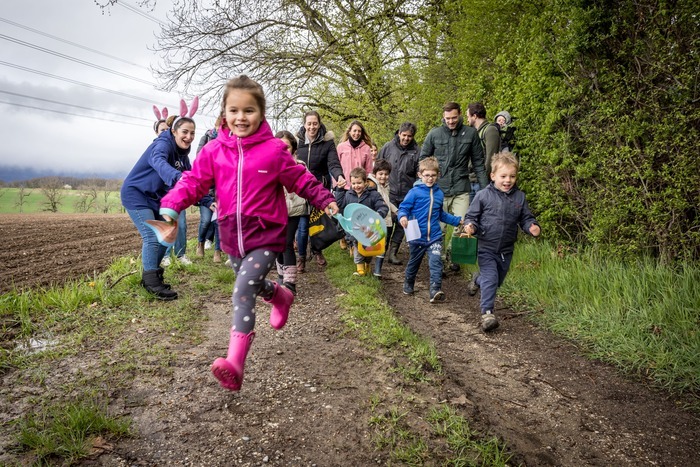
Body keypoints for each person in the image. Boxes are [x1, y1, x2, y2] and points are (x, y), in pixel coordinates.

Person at [158, 75, 339, 391]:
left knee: (243, 290)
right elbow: (193, 182)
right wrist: (172, 204)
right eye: (234, 110)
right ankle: (280, 295)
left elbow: (302, 179)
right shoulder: (214, 150)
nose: (241, 117)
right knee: (251, 283)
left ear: (261, 113)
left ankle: (235, 363)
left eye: (249, 111)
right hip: (231, 237)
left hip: (266, 235)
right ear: (225, 113)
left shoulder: (273, 151)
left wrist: (326, 199)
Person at [121, 112, 196, 300]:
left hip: (156, 198)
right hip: (136, 194)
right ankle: (150, 282)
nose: (188, 137)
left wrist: (208, 201)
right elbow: (157, 161)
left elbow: (193, 184)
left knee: (169, 233)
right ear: (174, 131)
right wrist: (176, 177)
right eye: (185, 132)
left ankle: (153, 274)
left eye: (192, 133)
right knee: (152, 236)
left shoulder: (183, 158)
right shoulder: (162, 144)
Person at [464, 151, 540, 332]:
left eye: (512, 176)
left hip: (506, 249)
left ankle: (477, 279)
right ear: (493, 176)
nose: (508, 180)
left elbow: (525, 218)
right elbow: (471, 216)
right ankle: (487, 314)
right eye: (503, 176)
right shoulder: (483, 195)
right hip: (486, 247)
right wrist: (470, 226)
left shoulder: (519, 197)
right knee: (491, 279)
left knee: (496, 281)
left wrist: (531, 226)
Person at [421, 102, 488, 273]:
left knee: (462, 224)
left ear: (459, 115)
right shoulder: (434, 134)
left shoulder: (471, 134)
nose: (451, 121)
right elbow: (423, 160)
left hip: (461, 187)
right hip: (439, 188)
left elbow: (479, 164)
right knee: (439, 227)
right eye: (448, 118)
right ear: (443, 117)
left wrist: (486, 189)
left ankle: (452, 256)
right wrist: (423, 183)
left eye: (454, 117)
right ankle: (439, 261)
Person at [397, 157, 463, 303]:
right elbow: (404, 208)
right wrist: (402, 217)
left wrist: (457, 221)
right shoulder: (414, 192)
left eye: (433, 175)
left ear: (438, 175)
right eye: (427, 175)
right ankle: (408, 282)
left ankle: (435, 290)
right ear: (420, 175)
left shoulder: (439, 194)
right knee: (414, 262)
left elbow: (440, 214)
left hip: (434, 236)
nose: (430, 178)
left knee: (436, 261)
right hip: (417, 236)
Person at [295, 111, 346, 267]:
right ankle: (302, 258)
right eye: (309, 123)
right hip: (300, 188)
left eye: (315, 123)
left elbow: (333, 164)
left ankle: (317, 250)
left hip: (320, 188)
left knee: (317, 223)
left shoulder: (327, 142)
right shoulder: (297, 141)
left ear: (319, 124)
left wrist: (339, 176)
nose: (312, 127)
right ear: (304, 124)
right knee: (303, 226)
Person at [377, 122, 421, 265]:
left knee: (403, 223)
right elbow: (378, 166)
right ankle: (382, 249)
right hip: (390, 192)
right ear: (399, 133)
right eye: (404, 135)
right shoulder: (388, 147)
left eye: (409, 136)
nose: (406, 138)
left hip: (407, 194)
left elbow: (419, 174)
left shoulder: (417, 151)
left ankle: (393, 252)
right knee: (388, 222)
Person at [335, 167, 389, 276]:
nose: (356, 186)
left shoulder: (373, 194)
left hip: (369, 228)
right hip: (355, 229)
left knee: (368, 250)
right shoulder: (348, 194)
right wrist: (340, 190)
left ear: (365, 182)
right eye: (353, 183)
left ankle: (367, 265)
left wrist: (379, 213)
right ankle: (360, 270)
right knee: (357, 248)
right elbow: (340, 204)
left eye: (359, 183)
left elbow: (383, 206)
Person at [274, 129, 309, 295]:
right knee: (278, 245)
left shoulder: (299, 166)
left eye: (286, 147)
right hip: (276, 211)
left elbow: (309, 185)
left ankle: (290, 283)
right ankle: (281, 276)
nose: (283, 150)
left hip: (294, 210)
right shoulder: (270, 166)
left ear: (293, 149)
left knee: (287, 243)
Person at [195, 119, 223, 263]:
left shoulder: (229, 142)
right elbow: (199, 160)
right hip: (205, 190)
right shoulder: (206, 138)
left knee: (218, 222)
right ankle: (200, 243)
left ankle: (217, 251)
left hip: (221, 191)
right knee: (206, 221)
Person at [367, 159, 396, 277]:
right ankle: (366, 265)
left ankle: (377, 270)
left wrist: (396, 210)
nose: (383, 177)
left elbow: (387, 202)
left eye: (386, 174)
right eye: (380, 174)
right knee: (372, 243)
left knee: (384, 246)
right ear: (375, 174)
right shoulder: (372, 186)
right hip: (376, 221)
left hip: (387, 220)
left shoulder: (386, 186)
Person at [467, 102, 501, 187]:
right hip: (472, 180)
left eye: (468, 116)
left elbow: (491, 157)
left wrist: (483, 180)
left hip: (482, 182)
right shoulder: (474, 132)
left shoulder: (490, 130)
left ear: (474, 116)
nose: (467, 119)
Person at [335, 120, 374, 189]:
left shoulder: (366, 148)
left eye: (359, 131)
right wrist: (336, 185)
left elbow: (369, 170)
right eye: (354, 130)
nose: (357, 133)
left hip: (360, 188)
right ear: (350, 132)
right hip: (343, 187)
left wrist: (367, 184)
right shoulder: (341, 147)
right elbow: (335, 166)